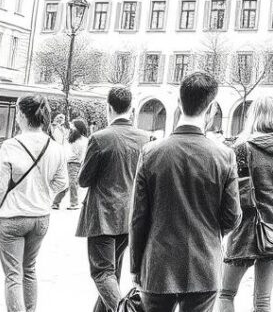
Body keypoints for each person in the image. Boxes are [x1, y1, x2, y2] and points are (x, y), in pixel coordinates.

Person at [130, 71, 242, 312]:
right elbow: (232, 216)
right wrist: (210, 232)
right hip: (203, 264)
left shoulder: (151, 152)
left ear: (179, 104)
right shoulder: (224, 156)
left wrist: (136, 266)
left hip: (158, 264)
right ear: (212, 109)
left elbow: (138, 217)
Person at [0, 94, 69, 312]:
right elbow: (62, 183)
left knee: (13, 275)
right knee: (29, 269)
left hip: (12, 217)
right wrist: (42, 191)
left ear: (21, 115)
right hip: (40, 217)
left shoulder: (11, 145)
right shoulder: (55, 146)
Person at [220, 97, 273, 312]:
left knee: (226, 293)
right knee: (263, 299)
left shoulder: (242, 149)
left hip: (246, 228)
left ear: (253, 117)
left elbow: (232, 193)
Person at [76, 86, 150, 312]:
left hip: (103, 215)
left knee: (102, 272)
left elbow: (84, 180)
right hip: (130, 216)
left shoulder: (100, 138)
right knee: (113, 273)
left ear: (108, 107)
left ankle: (125, 309)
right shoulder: (145, 138)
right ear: (132, 109)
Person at [52, 119, 89, 210]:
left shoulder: (85, 140)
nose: (72, 128)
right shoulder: (72, 138)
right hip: (70, 163)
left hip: (77, 163)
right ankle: (68, 203)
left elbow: (84, 153)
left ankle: (60, 203)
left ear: (78, 127)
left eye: (73, 126)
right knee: (69, 183)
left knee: (71, 183)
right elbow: (67, 150)